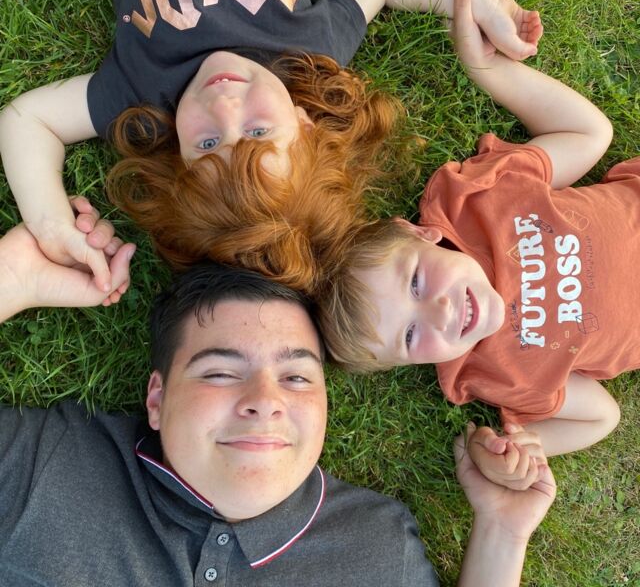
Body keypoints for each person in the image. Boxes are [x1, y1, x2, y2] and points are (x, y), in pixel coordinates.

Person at [0, 213, 555, 586]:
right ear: (157, 398)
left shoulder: (376, 546)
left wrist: (502, 531)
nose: (264, 402)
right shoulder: (53, 467)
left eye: (296, 378)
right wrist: (12, 278)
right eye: (221, 372)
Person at [0, 0, 542, 295]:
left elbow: (28, 121)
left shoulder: (142, 92)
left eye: (206, 143)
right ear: (305, 125)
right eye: (259, 133)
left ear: (178, 158)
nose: (224, 107)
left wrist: (52, 226)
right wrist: (472, 3)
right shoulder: (309, 51)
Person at [315, 0, 635, 483]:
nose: (440, 312)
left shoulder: (478, 203)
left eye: (416, 283)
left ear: (419, 235)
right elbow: (602, 416)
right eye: (410, 335)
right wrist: (528, 447)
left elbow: (589, 134)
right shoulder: (494, 371)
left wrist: (489, 69)